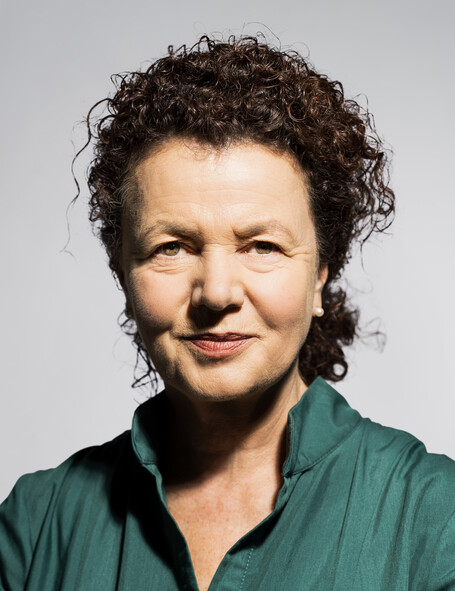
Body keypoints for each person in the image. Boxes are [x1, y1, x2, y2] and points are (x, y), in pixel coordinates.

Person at [1, 34, 454, 591]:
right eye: (171, 247)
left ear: (320, 276)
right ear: (123, 275)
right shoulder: (33, 528)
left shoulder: (436, 520)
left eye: (262, 246)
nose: (216, 294)